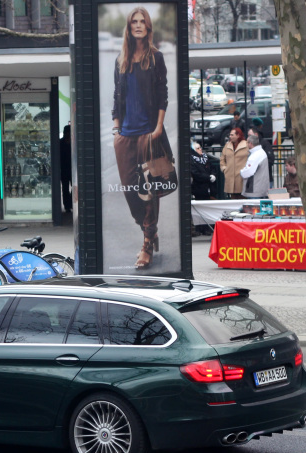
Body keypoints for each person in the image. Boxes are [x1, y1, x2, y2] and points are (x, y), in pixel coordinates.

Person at [111, 6, 169, 270]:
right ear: (129, 26)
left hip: (148, 133)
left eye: (141, 21)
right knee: (129, 188)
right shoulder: (121, 60)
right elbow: (116, 97)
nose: (137, 25)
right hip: (125, 135)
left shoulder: (155, 58)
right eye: (133, 21)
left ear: (147, 27)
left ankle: (147, 243)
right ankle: (149, 228)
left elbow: (162, 94)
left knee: (149, 191)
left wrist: (158, 127)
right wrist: (116, 130)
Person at [239, 129, 269, 199]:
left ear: (250, 143)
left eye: (247, 142)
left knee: (252, 209)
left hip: (254, 190)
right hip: (261, 189)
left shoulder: (255, 156)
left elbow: (248, 172)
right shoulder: (261, 152)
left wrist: (241, 172)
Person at [219, 127, 248, 199]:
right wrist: (224, 169)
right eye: (230, 135)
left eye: (232, 135)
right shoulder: (227, 146)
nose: (230, 136)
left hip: (242, 177)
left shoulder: (246, 145)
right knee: (233, 199)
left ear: (238, 135)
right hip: (230, 178)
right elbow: (222, 159)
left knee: (243, 199)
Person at [60, 124, 72, 216]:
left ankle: (70, 203)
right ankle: (67, 206)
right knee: (65, 188)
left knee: (73, 187)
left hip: (71, 169)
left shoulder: (73, 142)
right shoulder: (60, 143)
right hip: (64, 169)